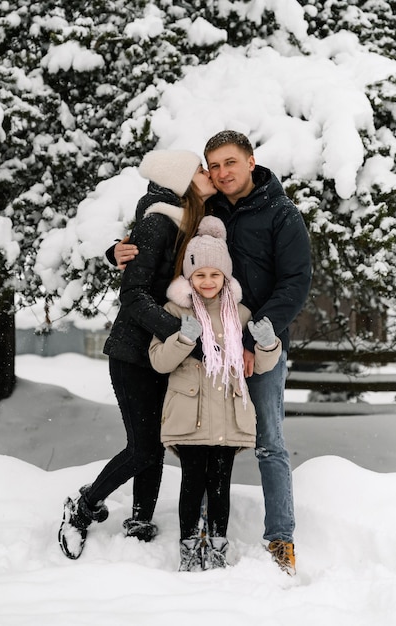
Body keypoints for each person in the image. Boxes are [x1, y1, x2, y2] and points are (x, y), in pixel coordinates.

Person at [114, 131, 312, 575]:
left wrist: (253, 338)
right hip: (203, 344)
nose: (221, 173)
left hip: (257, 343)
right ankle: (201, 528)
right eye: (213, 165)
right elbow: (159, 213)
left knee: (269, 443)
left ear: (251, 161)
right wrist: (118, 249)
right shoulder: (208, 207)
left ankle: (280, 538)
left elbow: (295, 282)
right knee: (201, 439)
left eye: (229, 163)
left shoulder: (282, 214)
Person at [58, 149, 217, 560]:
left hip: (163, 352)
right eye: (200, 168)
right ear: (182, 180)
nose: (209, 172)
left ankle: (141, 518)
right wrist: (183, 334)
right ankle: (83, 507)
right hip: (133, 353)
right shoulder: (158, 223)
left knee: (155, 441)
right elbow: (133, 296)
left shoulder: (188, 222)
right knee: (143, 446)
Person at [148, 215, 282, 572]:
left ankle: (218, 544)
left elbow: (259, 365)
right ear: (189, 276)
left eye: (215, 274)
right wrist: (184, 339)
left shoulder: (239, 314)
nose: (207, 281)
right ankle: (190, 546)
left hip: (227, 412)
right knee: (192, 481)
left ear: (226, 276)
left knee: (220, 481)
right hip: (190, 412)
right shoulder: (174, 311)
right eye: (200, 274)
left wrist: (268, 345)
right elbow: (159, 361)